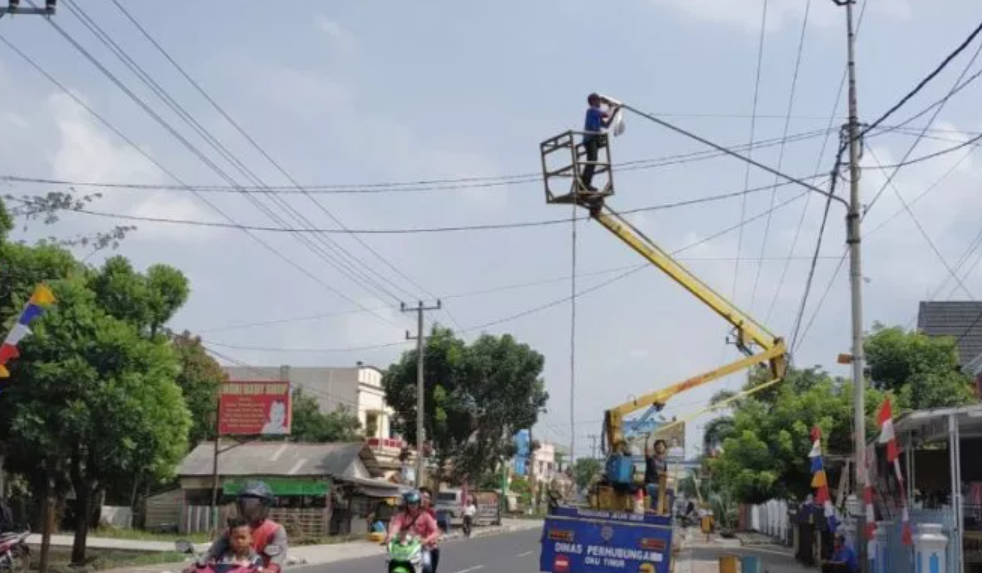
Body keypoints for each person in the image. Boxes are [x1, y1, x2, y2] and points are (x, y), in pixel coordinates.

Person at [195, 481, 288, 573]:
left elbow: (278, 555)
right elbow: (213, 552)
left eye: (254, 505)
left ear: (265, 506)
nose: (249, 510)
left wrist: (271, 569)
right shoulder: (234, 530)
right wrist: (198, 565)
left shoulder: (275, 530)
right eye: (245, 504)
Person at [388, 490, 441, 573]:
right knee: (392, 562)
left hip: (422, 547)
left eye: (415, 503)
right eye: (410, 503)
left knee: (427, 567)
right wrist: (390, 536)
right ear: (406, 504)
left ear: (419, 503)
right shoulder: (401, 516)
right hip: (404, 547)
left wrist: (426, 540)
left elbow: (436, 531)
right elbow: (395, 526)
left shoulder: (425, 516)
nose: (412, 505)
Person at [580, 93, 618, 192]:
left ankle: (585, 183)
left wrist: (614, 113)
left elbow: (606, 125)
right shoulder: (592, 110)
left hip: (594, 139)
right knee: (592, 160)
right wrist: (611, 107)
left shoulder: (596, 114)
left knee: (592, 161)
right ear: (593, 101)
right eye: (598, 101)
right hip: (590, 139)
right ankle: (585, 184)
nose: (600, 103)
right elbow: (606, 114)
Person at [418, 488, 442, 573]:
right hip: (412, 545)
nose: (424, 499)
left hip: (427, 545)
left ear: (429, 500)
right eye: (422, 496)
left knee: (428, 568)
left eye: (426, 497)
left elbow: (434, 529)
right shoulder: (412, 511)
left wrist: (430, 540)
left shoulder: (431, 512)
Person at [644, 439, 668, 511]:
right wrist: (646, 440)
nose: (660, 447)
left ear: (664, 448)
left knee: (670, 491)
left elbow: (665, 474)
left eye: (662, 445)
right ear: (655, 448)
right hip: (650, 485)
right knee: (660, 491)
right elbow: (646, 452)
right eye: (658, 445)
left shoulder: (664, 462)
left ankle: (666, 512)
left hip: (659, 485)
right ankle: (654, 509)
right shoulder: (651, 459)